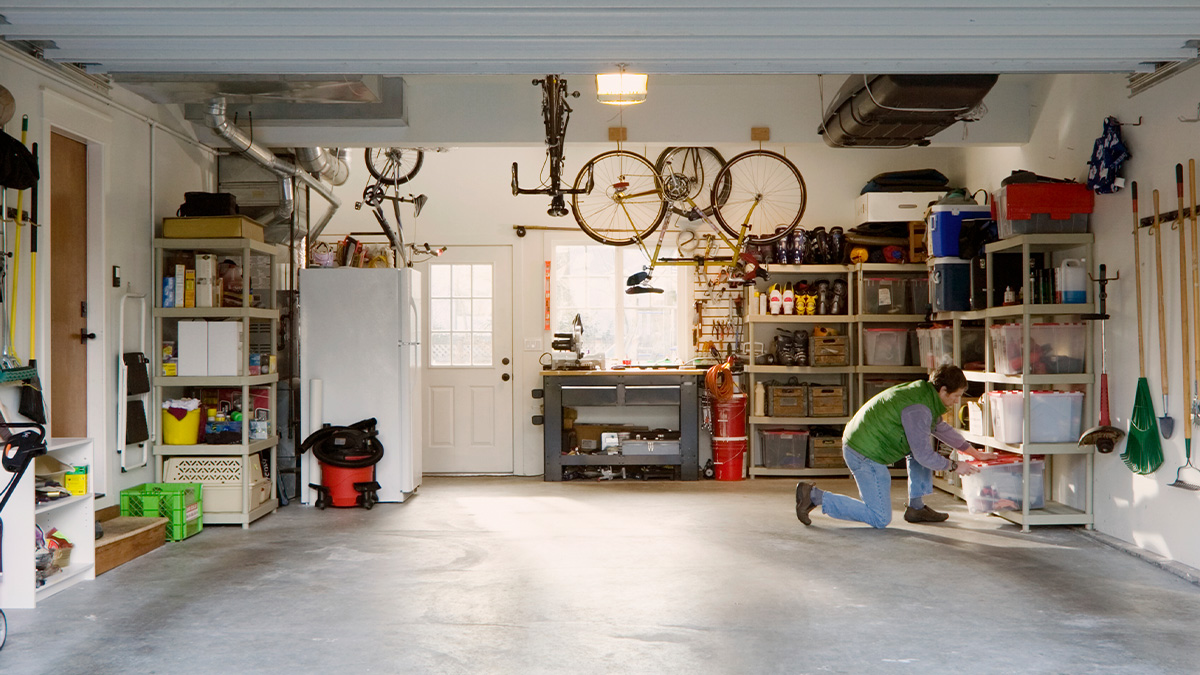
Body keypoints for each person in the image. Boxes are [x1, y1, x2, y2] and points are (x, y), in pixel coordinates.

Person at [795, 365, 995, 528]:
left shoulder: (924, 393)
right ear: (943, 390)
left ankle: (916, 508)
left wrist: (973, 452)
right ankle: (813, 496)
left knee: (919, 450)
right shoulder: (920, 408)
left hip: (864, 441)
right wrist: (955, 466)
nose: (957, 401)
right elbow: (924, 455)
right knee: (879, 517)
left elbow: (939, 428)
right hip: (863, 452)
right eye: (956, 396)